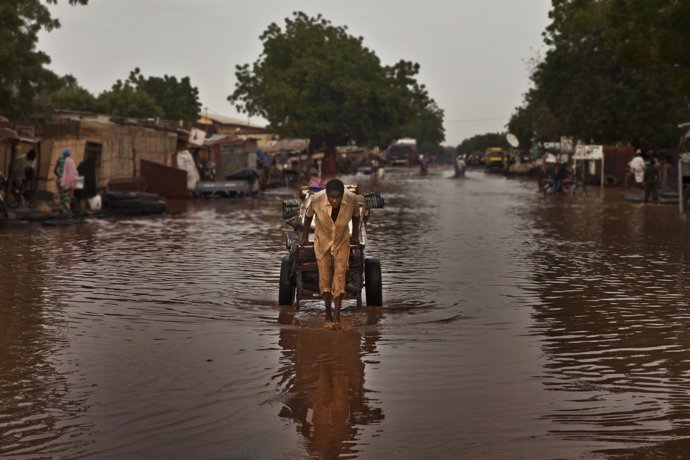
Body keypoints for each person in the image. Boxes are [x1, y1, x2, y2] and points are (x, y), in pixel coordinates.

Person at [301, 179, 361, 328]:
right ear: (326, 194)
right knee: (325, 279)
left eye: (338, 197)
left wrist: (355, 236)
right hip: (322, 242)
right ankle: (327, 314)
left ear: (342, 195)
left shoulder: (352, 199)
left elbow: (356, 216)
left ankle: (337, 318)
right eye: (332, 197)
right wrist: (303, 238)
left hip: (341, 241)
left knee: (340, 277)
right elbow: (308, 217)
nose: (335, 200)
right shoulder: (316, 199)